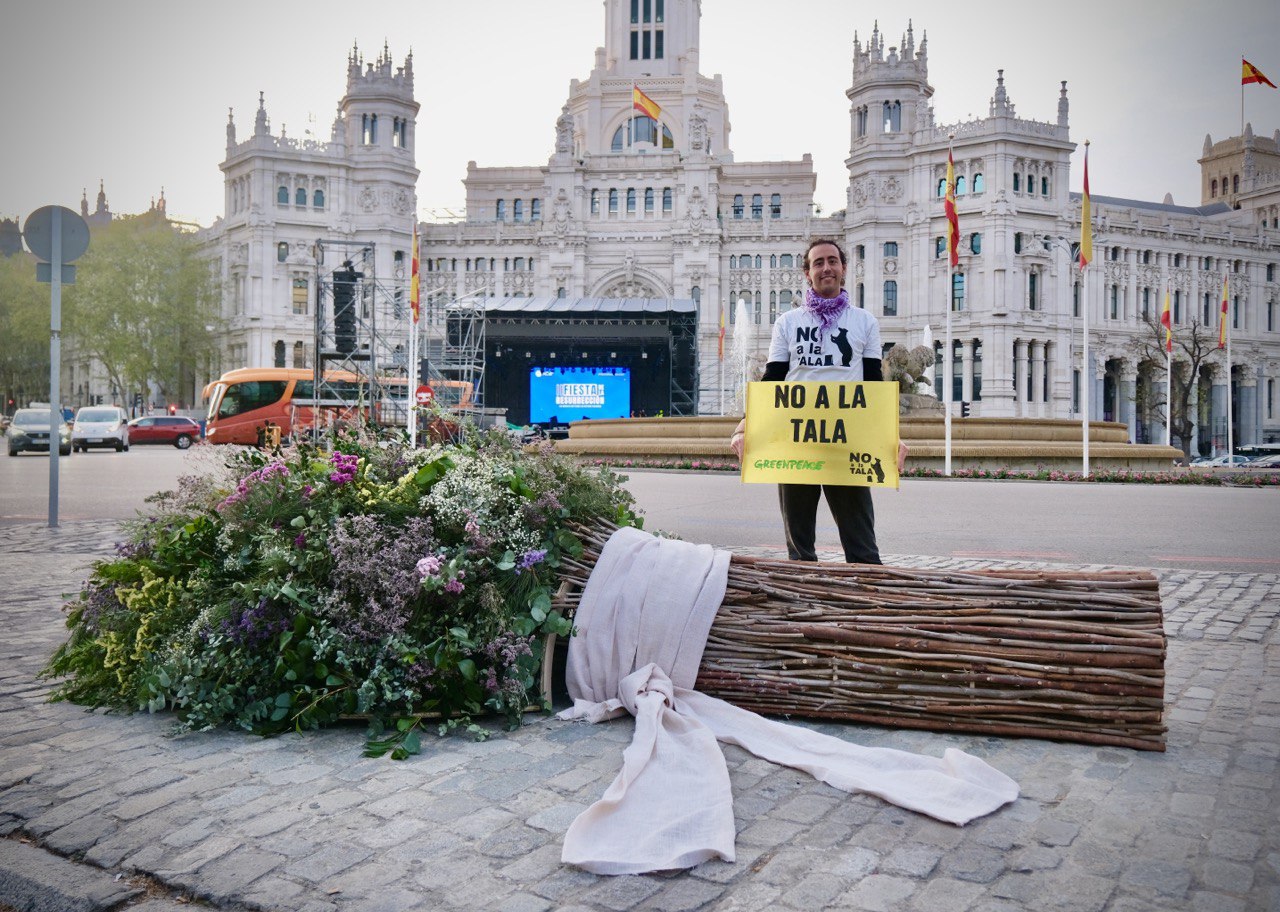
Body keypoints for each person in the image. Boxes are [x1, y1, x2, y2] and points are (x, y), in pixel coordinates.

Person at [730, 238, 906, 564]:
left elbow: (873, 384)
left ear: (843, 269)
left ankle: (867, 604)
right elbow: (772, 381)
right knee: (799, 549)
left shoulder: (864, 322)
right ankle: (803, 606)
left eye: (832, 261)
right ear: (807, 274)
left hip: (849, 443)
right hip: (796, 443)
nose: (826, 268)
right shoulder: (788, 323)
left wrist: (891, 437)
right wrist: (745, 425)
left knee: (863, 547)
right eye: (818, 263)